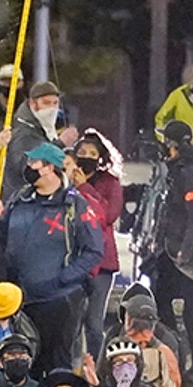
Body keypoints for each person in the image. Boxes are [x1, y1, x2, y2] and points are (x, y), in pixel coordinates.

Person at [0, 141, 104, 376]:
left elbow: (94, 251)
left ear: (50, 168)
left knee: (56, 366)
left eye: (35, 162)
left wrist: (64, 278)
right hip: (20, 299)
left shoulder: (75, 205)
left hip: (58, 301)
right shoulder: (19, 199)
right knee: (24, 363)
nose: (28, 166)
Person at [153, 120, 193, 384]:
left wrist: (186, 249)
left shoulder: (188, 172)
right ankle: (174, 354)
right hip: (171, 248)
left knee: (192, 306)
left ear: (172, 144)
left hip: (187, 251)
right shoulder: (174, 169)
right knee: (161, 299)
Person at [68, 131, 123, 360]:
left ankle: (96, 365)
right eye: (82, 153)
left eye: (92, 153)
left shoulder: (110, 183)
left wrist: (85, 189)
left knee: (93, 321)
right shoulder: (65, 179)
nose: (87, 157)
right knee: (72, 322)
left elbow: (107, 216)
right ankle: (73, 367)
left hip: (102, 262)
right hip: (74, 259)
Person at [0, 80, 62, 200]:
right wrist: (60, 145)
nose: (52, 108)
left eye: (55, 103)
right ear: (33, 104)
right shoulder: (23, 134)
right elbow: (27, 167)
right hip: (20, 202)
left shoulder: (41, 129)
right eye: (46, 103)